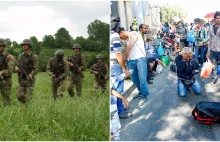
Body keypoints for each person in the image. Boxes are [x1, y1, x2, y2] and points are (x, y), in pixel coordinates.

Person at [118, 27, 149, 106]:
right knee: (134, 79)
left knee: (142, 79)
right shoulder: (126, 40)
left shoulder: (134, 33)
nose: (121, 38)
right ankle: (140, 91)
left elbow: (130, 46)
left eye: (120, 36)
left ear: (122, 33)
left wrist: (124, 56)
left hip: (140, 59)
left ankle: (144, 96)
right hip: (131, 61)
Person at [15, 39, 38, 103]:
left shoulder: (33, 56)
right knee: (19, 95)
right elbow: (18, 65)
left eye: (26, 44)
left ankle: (28, 108)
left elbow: (35, 69)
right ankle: (26, 104)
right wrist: (17, 68)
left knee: (29, 97)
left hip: (29, 79)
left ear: (29, 45)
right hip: (22, 78)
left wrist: (31, 75)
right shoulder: (20, 55)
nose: (24, 46)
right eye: (23, 45)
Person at [206, 11, 220, 84]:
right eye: (217, 18)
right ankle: (214, 79)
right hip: (212, 50)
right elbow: (210, 40)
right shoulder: (211, 27)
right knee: (213, 66)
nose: (219, 20)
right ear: (214, 19)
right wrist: (208, 51)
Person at [0, 38, 14, 106]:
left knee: (6, 101)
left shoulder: (9, 56)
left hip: (5, 80)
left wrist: (1, 72)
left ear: (3, 46)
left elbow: (10, 70)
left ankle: (7, 115)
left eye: (0, 46)